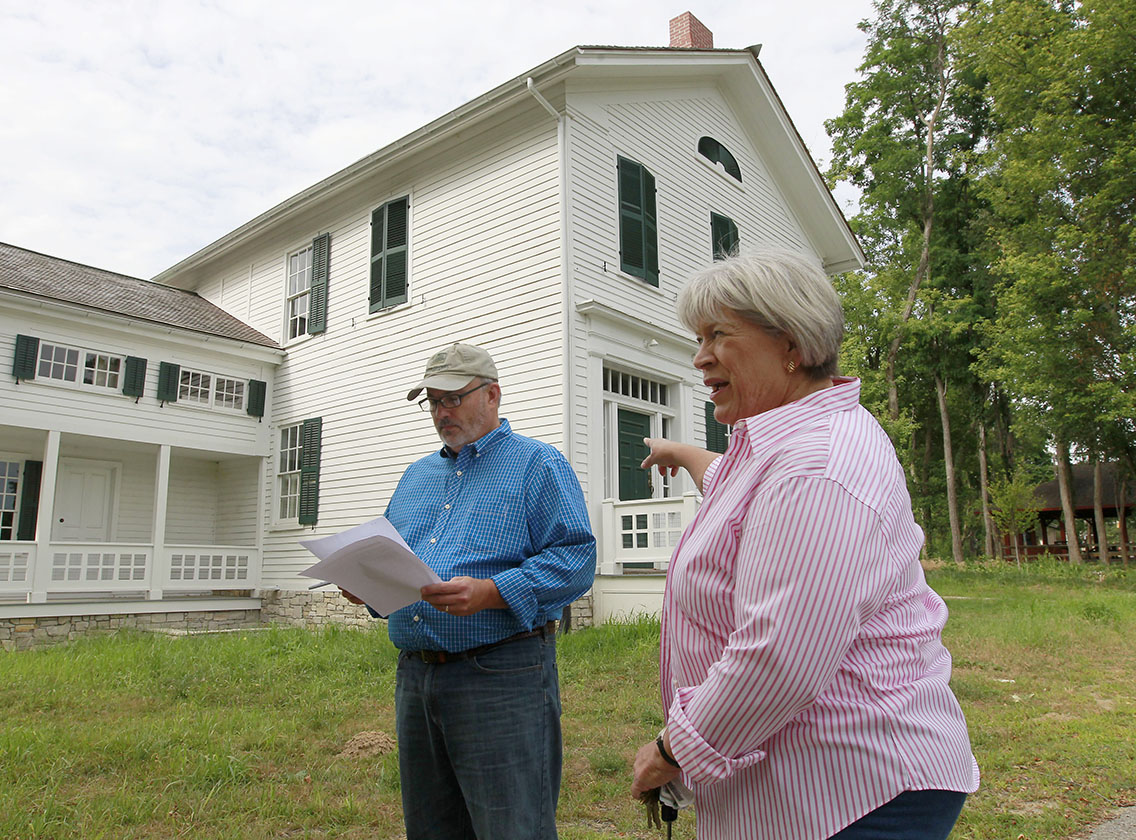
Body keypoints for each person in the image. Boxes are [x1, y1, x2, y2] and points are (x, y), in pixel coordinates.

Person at [629, 251, 979, 840]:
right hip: (816, 780)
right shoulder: (779, 446)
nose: (700, 356)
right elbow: (740, 497)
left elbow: (779, 656)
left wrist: (674, 749)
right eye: (698, 337)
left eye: (718, 334)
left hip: (855, 791)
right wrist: (683, 454)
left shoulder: (814, 465)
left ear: (790, 342)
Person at [347, 342, 596, 840]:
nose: (442, 413)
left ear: (493, 396)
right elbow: (396, 563)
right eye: (433, 401)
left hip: (501, 675)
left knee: (512, 826)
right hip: (417, 678)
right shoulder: (417, 477)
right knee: (432, 827)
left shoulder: (537, 465)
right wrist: (366, 586)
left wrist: (492, 592)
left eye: (453, 399)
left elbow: (576, 561)